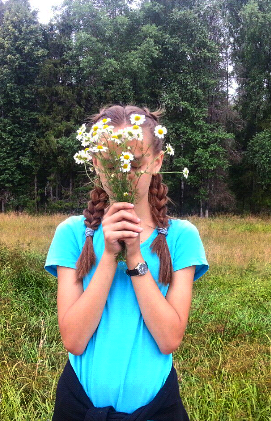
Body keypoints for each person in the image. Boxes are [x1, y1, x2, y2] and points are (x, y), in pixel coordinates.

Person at [44, 105, 208, 421]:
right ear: (95, 163)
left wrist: (134, 257)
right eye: (110, 163)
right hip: (80, 408)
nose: (122, 174)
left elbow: (169, 339)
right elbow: (74, 340)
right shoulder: (73, 234)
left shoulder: (181, 238)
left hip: (156, 411)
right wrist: (108, 255)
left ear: (157, 162)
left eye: (134, 163)